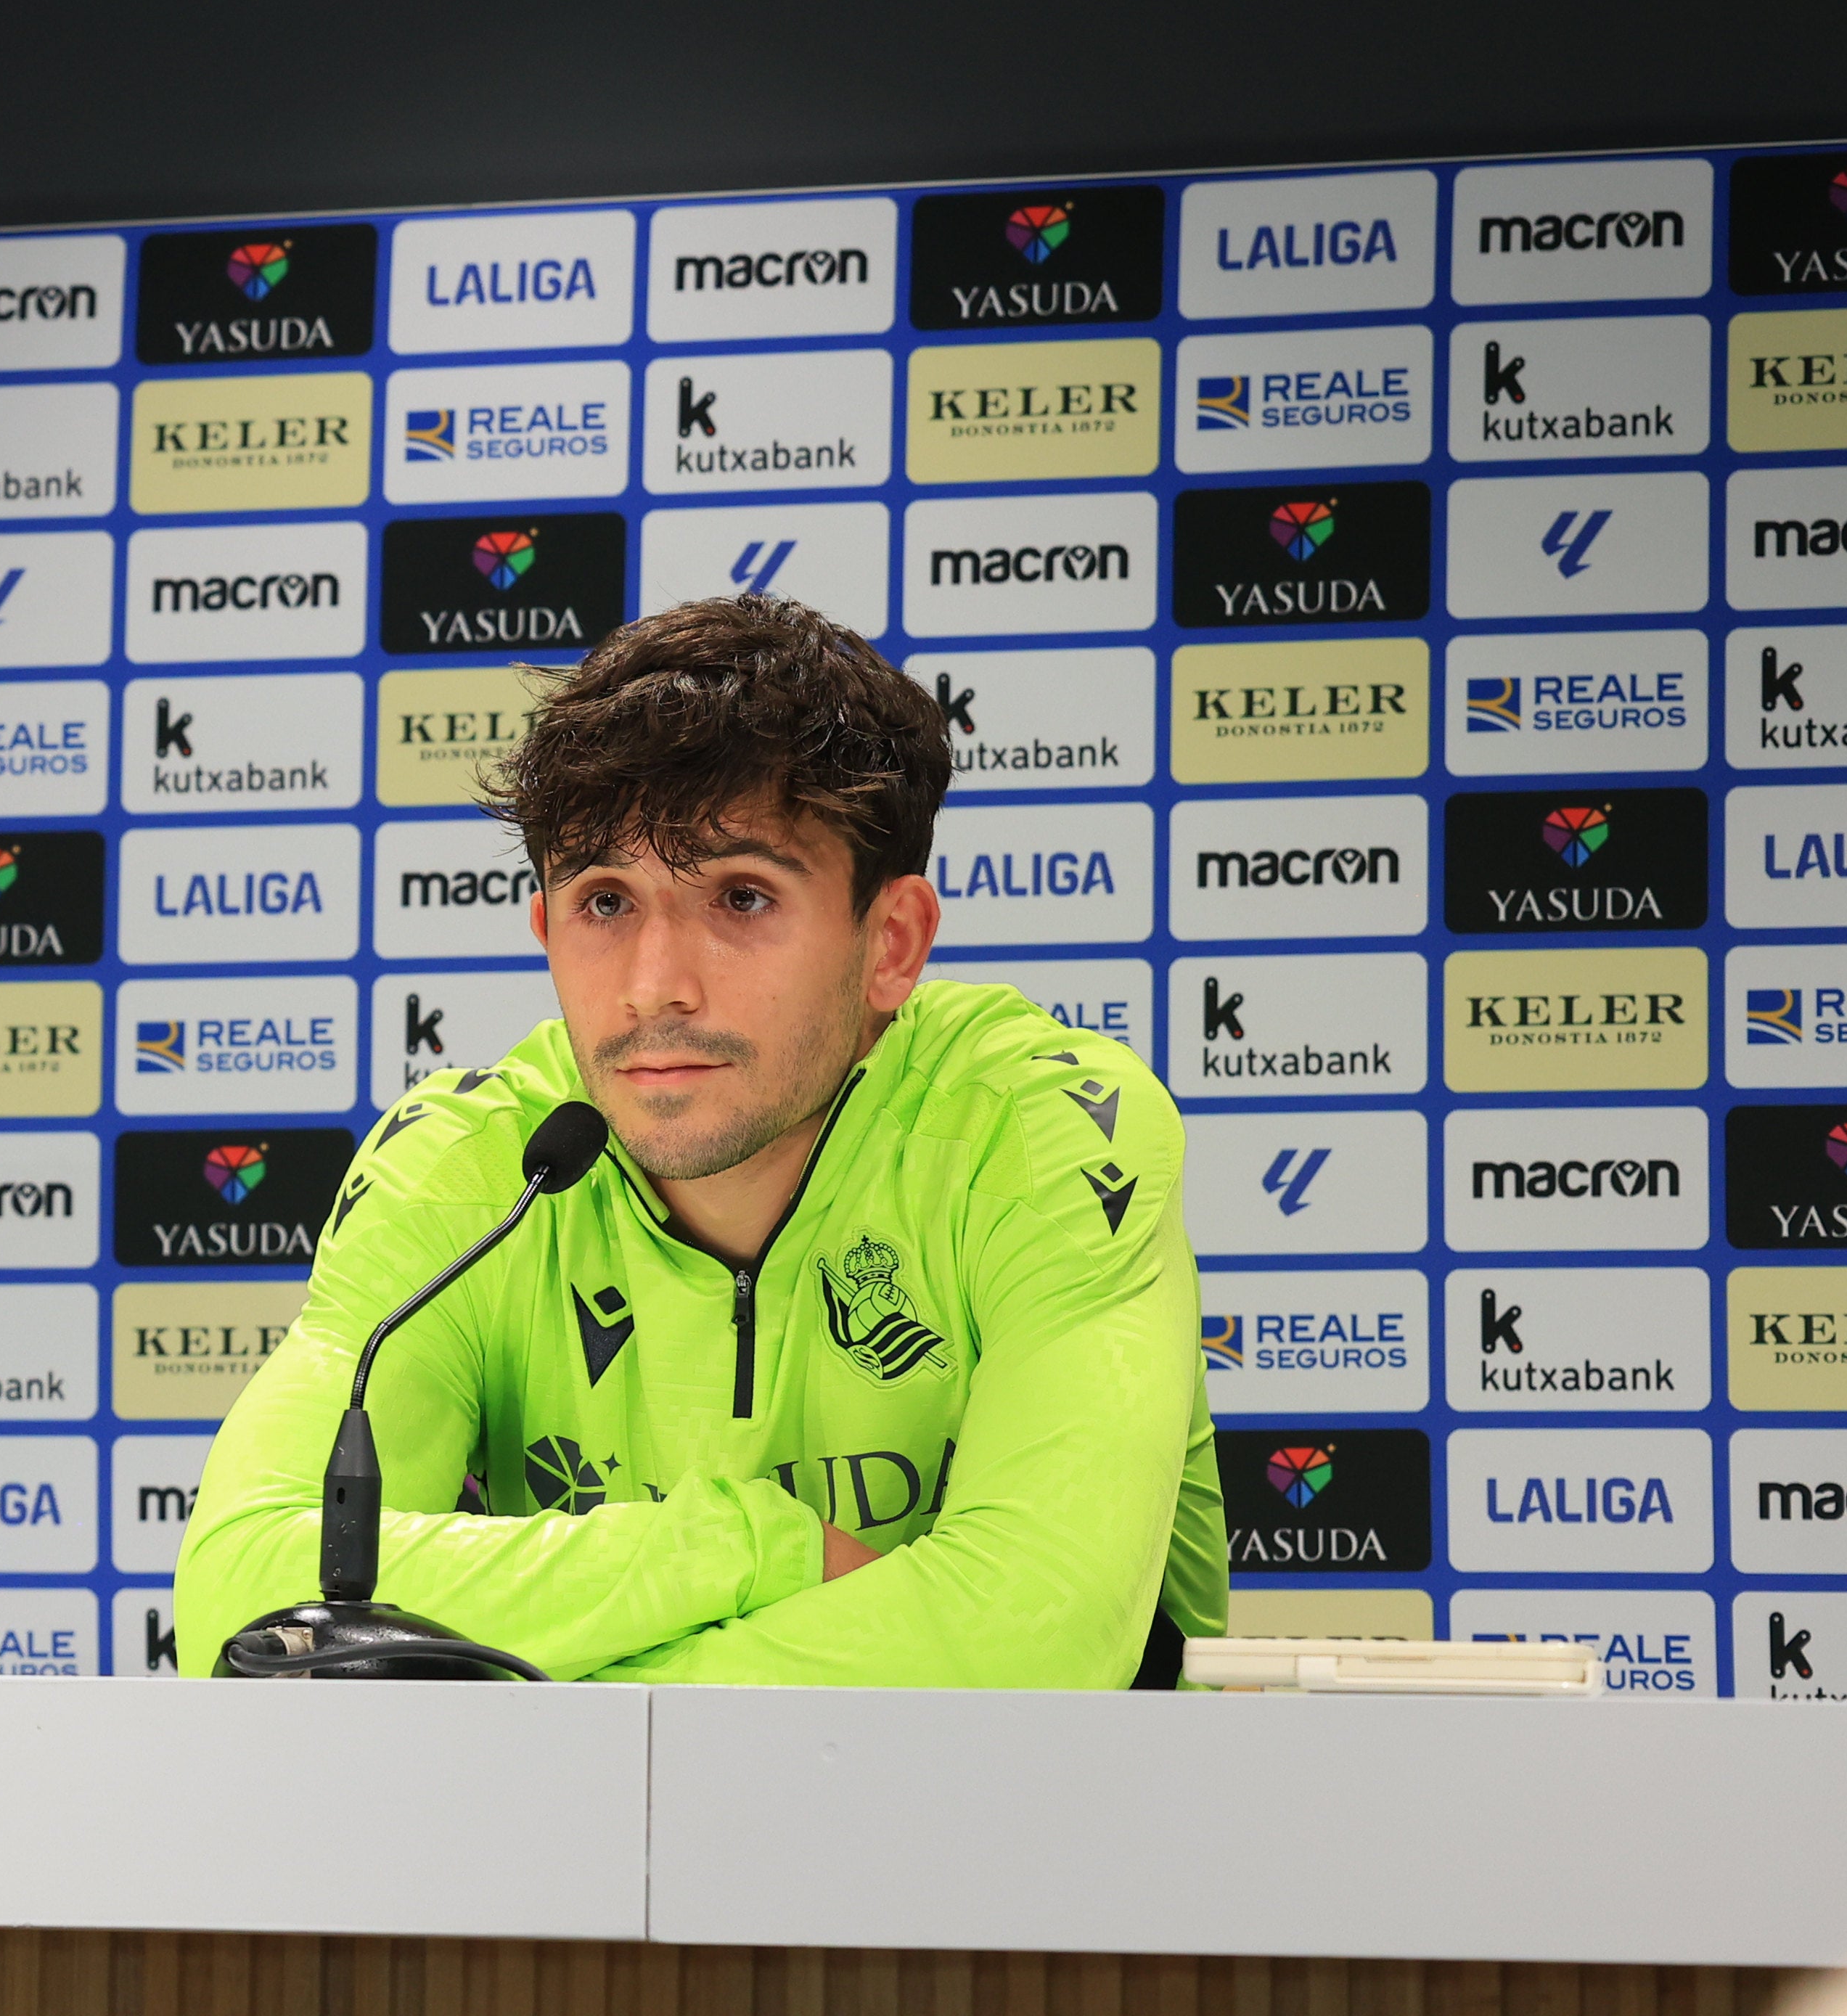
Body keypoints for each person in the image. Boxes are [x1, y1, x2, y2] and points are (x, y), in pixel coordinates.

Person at [181, 594, 1223, 1685]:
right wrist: (751, 1548)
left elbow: (1035, 1640)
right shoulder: (470, 1167)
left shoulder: (1040, 1133)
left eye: (740, 897)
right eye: (604, 903)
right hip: (574, 1854)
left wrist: (523, 1705)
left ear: (892, 943)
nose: (653, 989)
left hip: (1019, 1843)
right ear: (545, 930)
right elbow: (249, 1605)